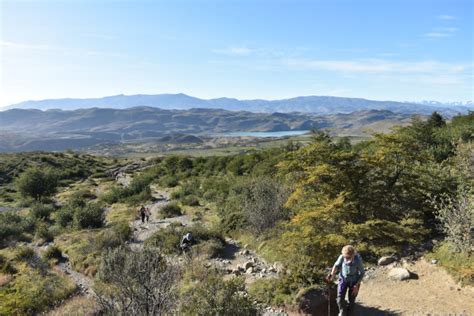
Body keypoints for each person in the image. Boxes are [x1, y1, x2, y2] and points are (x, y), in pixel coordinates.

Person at [326, 245, 365, 316]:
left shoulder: (357, 260)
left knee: (352, 301)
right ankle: (342, 311)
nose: (346, 259)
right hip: (343, 279)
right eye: (345, 257)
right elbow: (336, 265)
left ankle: (350, 313)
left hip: (354, 281)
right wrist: (332, 274)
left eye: (349, 257)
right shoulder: (342, 257)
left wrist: (356, 285)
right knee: (339, 299)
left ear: (353, 255)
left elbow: (362, 273)